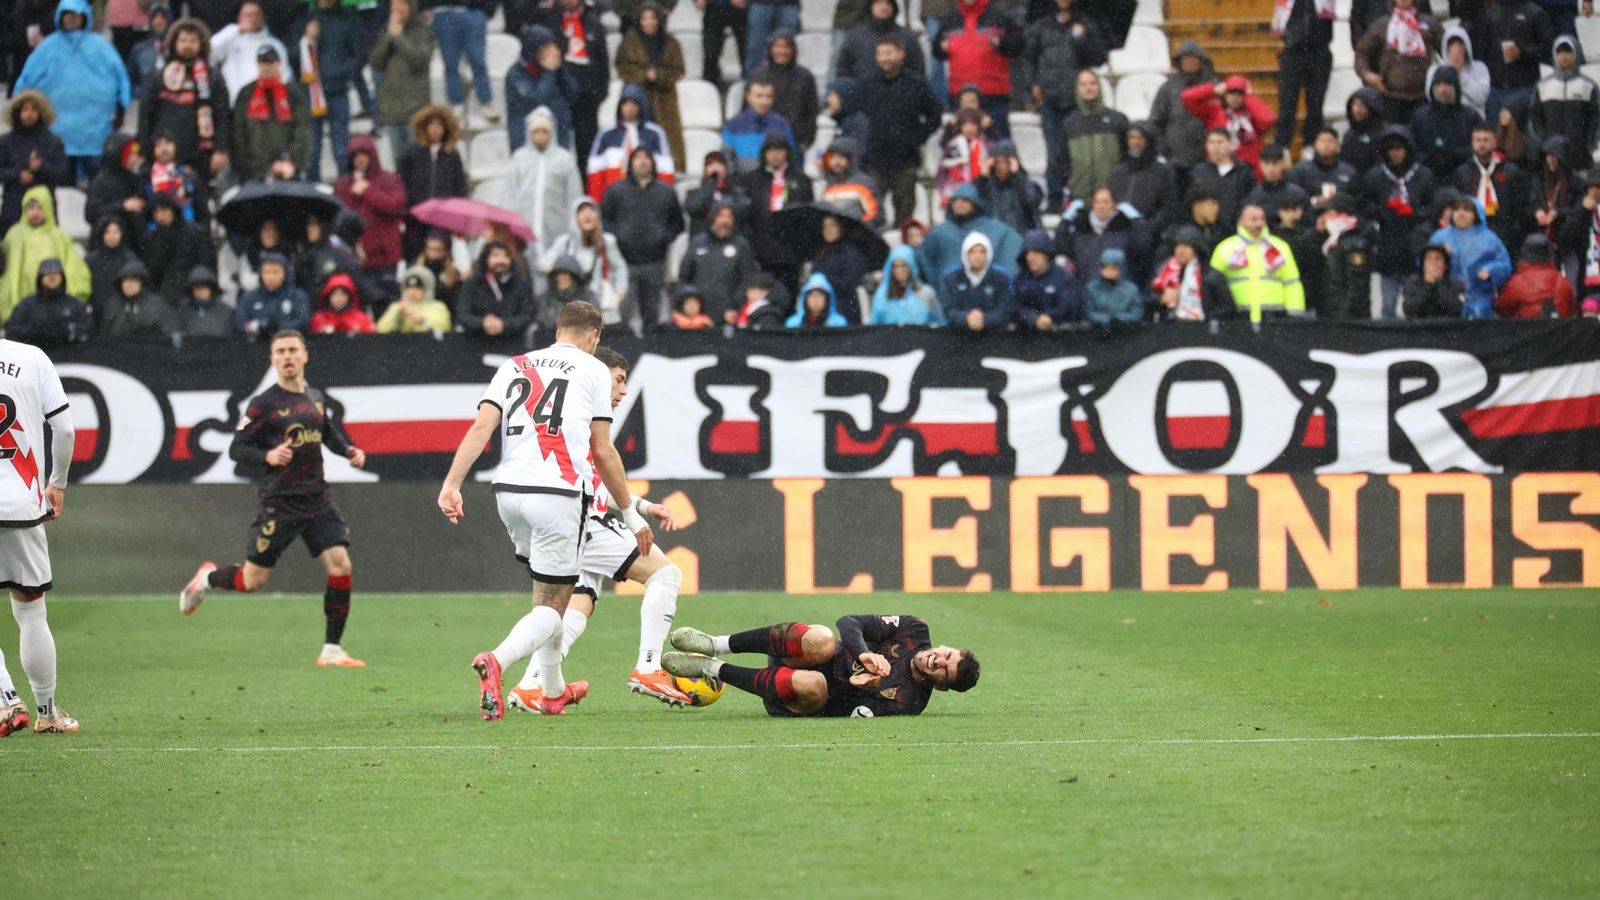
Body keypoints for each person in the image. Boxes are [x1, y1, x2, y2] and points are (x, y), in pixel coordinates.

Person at [440, 301, 653, 719]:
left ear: (558, 330)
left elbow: (481, 428)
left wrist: (452, 484)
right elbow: (603, 449)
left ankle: (553, 690)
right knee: (553, 609)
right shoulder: (593, 368)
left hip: (508, 494)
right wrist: (631, 513)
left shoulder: (514, 364)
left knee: (551, 595)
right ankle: (497, 660)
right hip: (556, 495)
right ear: (594, 337)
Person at [503, 346, 692, 709]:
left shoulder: (571, 411)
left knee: (576, 605)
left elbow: (594, 475)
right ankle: (648, 666)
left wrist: (643, 504)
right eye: (619, 380)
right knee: (664, 575)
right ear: (598, 375)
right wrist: (632, 514)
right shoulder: (587, 416)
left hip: (556, 516)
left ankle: (532, 684)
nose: (623, 391)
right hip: (580, 519)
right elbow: (598, 466)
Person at [178, 330, 367, 668]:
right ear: (273, 359)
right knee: (253, 581)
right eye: (280, 351)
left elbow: (326, 431)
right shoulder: (263, 403)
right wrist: (267, 456)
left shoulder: (314, 396)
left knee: (341, 564)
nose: (287, 356)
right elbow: (237, 449)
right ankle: (206, 579)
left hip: (317, 498)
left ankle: (332, 649)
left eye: (293, 349)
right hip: (280, 502)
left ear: (305, 355)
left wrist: (348, 450)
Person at [662, 615, 978, 717]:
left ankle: (711, 669)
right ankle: (716, 644)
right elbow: (848, 621)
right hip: (799, 657)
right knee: (823, 638)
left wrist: (854, 689)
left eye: (943, 670)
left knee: (815, 683)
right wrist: (862, 655)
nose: (937, 660)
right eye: (946, 654)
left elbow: (843, 714)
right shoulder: (914, 630)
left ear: (941, 686)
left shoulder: (908, 702)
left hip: (797, 696)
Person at [0, 335, 80, 734]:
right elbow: (64, 429)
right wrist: (57, 483)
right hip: (20, 504)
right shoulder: (31, 357)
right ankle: (47, 714)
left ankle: (5, 700)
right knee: (30, 610)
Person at [12, 0, 131, 183]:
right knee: (61, 184)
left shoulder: (101, 46)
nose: (71, 20)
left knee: (98, 183)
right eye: (67, 15)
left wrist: (122, 106)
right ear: (60, 17)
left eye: (75, 15)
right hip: (58, 131)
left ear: (84, 17)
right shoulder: (48, 47)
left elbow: (120, 77)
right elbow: (28, 78)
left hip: (95, 130)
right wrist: (17, 107)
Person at [139, 18, 230, 220]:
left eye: (193, 41)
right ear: (174, 43)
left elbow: (222, 115)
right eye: (183, 41)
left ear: (201, 44)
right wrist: (145, 149)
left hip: (200, 155)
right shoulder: (160, 75)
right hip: (164, 155)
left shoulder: (212, 77)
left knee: (198, 210)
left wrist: (221, 150)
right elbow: (146, 115)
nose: (188, 46)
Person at [1028, 0, 1108, 206]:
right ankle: (1055, 198)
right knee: (1053, 151)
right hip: (1050, 99)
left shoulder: (1086, 24)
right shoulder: (1041, 26)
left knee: (1079, 150)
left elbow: (1099, 58)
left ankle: (1078, 195)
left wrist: (1081, 39)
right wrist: (1033, 84)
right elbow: (1029, 58)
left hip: (1077, 100)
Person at [856, 35, 941, 228]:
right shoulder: (868, 84)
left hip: (906, 160)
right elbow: (858, 116)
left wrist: (918, 137)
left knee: (905, 218)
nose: (885, 58)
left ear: (900, 54)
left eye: (889, 53)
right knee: (871, 214)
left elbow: (934, 115)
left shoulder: (916, 83)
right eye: (881, 54)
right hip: (875, 159)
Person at [600, 147, 684, 330]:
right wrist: (618, 237)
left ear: (653, 162)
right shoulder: (616, 191)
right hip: (624, 263)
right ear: (630, 162)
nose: (642, 161)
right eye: (638, 157)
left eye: (647, 157)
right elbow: (604, 219)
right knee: (620, 317)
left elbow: (678, 223)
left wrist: (663, 237)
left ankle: (651, 351)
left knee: (652, 318)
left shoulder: (666, 192)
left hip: (654, 262)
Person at [1360, 125, 1435, 318]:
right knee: (1388, 306)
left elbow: (1433, 207)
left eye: (1399, 148)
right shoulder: (1375, 176)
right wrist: (1383, 212)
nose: (1395, 153)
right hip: (1387, 249)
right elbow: (1364, 207)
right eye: (1391, 149)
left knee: (1415, 306)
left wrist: (1415, 212)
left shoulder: (1423, 175)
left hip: (1414, 247)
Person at [919, 182, 1023, 309]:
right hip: (948, 299)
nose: (960, 204)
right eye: (955, 200)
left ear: (975, 203)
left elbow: (1012, 251)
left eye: (965, 200)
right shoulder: (940, 232)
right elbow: (924, 260)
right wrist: (938, 285)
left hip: (986, 299)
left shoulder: (996, 229)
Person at [529, 0, 610, 164]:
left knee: (587, 148)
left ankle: (586, 187)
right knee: (558, 146)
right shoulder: (548, 19)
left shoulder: (593, 21)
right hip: (559, 92)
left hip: (587, 94)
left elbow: (602, 61)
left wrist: (600, 92)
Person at [1, 188, 91, 325]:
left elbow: (75, 270)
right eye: (31, 208)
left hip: (54, 307)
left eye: (40, 208)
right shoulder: (14, 235)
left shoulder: (59, 237)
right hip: (21, 309)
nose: (35, 213)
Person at [736, 134, 813, 293]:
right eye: (770, 150)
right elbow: (746, 216)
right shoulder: (751, 180)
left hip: (790, 252)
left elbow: (808, 216)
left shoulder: (801, 180)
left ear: (786, 152)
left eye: (779, 149)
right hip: (760, 252)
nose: (775, 154)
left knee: (788, 297)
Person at [934, 0, 1024, 136]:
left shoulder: (1000, 17)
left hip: (993, 97)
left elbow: (1018, 46)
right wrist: (941, 48)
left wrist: (1002, 43)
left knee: (997, 147)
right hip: (960, 97)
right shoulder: (950, 19)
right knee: (960, 148)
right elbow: (937, 50)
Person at [334, 136, 407, 303]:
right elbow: (338, 218)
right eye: (355, 155)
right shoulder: (343, 184)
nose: (359, 159)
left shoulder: (389, 179)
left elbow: (396, 206)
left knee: (386, 305)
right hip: (355, 259)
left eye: (363, 154)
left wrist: (368, 191)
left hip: (384, 257)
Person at [614, 3, 686, 170]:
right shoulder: (629, 42)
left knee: (669, 141)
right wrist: (643, 76)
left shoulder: (671, 43)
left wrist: (659, 76)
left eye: (652, 18)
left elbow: (679, 70)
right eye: (645, 19)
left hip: (665, 99)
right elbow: (622, 67)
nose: (649, 22)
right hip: (637, 97)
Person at [511, 107, 586, 261]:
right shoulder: (519, 159)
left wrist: (573, 230)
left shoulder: (564, 159)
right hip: (525, 232)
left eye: (544, 131)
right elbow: (510, 195)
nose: (540, 136)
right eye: (536, 132)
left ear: (551, 133)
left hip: (557, 231)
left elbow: (574, 196)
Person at [1209, 203, 1306, 321]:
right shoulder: (1225, 248)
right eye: (1253, 219)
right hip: (1238, 318)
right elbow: (1212, 285)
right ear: (1241, 221)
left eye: (1262, 219)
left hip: (1275, 317)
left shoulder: (1280, 247)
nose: (1259, 223)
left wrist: (1294, 314)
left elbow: (1292, 283)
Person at [230, 46, 311, 183]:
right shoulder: (246, 93)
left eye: (271, 62)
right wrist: (243, 164)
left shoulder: (292, 94)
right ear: (257, 64)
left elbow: (302, 130)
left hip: (286, 168)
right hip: (253, 169)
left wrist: (292, 159)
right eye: (263, 62)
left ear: (279, 64)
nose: (266, 67)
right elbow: (238, 131)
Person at [1353, 0, 1442, 125]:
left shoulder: (1429, 23)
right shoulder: (1382, 25)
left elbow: (1447, 49)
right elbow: (1362, 53)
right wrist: (1367, 74)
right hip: (1391, 98)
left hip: (1424, 97)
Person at [399, 104, 469, 260]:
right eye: (431, 124)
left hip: (443, 218)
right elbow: (402, 182)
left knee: (441, 255)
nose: (435, 129)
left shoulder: (452, 155)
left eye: (440, 125)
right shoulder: (411, 153)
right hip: (416, 218)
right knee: (417, 256)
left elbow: (459, 186)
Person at [540, 198, 628, 322]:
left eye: (591, 210)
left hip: (598, 300)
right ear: (574, 217)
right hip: (572, 300)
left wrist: (620, 290)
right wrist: (560, 268)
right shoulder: (565, 241)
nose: (587, 215)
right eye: (582, 211)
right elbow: (544, 262)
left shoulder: (606, 241)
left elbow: (619, 266)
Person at [1463, 0, 1553, 120]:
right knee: (1495, 135)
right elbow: (1481, 51)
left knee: (1522, 136)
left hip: (1525, 88)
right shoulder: (1490, 14)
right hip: (1496, 89)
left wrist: (1522, 52)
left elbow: (1548, 50)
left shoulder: (1535, 13)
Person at [368, 0, 434, 159]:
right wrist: (390, 37)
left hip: (416, 110)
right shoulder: (387, 30)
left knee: (419, 163)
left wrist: (398, 38)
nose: (396, 9)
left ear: (410, 6)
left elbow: (420, 60)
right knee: (400, 164)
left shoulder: (422, 30)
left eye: (400, 4)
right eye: (393, 5)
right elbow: (376, 61)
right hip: (392, 110)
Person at [1454, 125, 1532, 260]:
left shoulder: (1511, 171)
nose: (1482, 144)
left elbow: (1520, 207)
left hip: (1505, 238)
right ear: (1472, 143)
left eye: (1486, 140)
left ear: (1495, 142)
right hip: (1471, 237)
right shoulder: (1463, 172)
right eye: (1477, 140)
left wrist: (1512, 233)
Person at [1055, 186, 1153, 291]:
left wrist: (1136, 220)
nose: (1101, 206)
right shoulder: (1083, 231)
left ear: (1114, 205)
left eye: (1106, 202)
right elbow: (1061, 246)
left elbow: (1142, 246)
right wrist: (1065, 220)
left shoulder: (1123, 230)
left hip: (1117, 294)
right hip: (1087, 294)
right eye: (1097, 202)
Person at [587, 86, 677, 200]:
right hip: (615, 198)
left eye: (634, 103)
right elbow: (595, 172)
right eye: (625, 103)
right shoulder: (607, 134)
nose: (630, 108)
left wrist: (663, 201)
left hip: (648, 198)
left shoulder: (655, 133)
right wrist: (598, 203)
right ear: (619, 106)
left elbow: (665, 170)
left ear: (641, 106)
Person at [0, 91, 70, 237]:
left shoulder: (53, 141)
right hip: (13, 208)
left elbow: (63, 174)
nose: (29, 114)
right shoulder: (6, 141)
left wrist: (41, 167)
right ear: (18, 113)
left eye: (33, 109)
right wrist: (17, 174)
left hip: (44, 209)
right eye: (25, 110)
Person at [1428, 195, 1511, 317]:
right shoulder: (1439, 237)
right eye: (1457, 209)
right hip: (1445, 296)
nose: (1461, 213)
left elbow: (1505, 264)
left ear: (1476, 214)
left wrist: (1490, 270)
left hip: (1480, 300)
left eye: (1466, 210)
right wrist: (1439, 253)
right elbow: (1423, 262)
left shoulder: (1490, 239)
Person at [1057, 69, 1128, 206]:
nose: (1088, 88)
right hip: (1080, 197)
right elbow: (1061, 159)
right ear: (1077, 89)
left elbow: (1127, 157)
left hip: (1113, 196)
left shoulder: (1117, 120)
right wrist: (1071, 181)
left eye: (1092, 83)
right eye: (1083, 84)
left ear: (1099, 87)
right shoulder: (1069, 123)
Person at [507, 25, 581, 153]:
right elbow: (536, 101)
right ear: (533, 49)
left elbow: (573, 94)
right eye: (546, 47)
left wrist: (561, 70)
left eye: (553, 46)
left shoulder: (553, 70)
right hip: (527, 144)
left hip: (558, 142)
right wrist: (549, 72)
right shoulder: (515, 74)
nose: (553, 51)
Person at [1533, 36, 1600, 174]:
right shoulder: (1543, 85)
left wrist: (1589, 146)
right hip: (1552, 155)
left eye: (1568, 52)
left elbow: (1596, 118)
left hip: (1580, 154)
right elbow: (1535, 117)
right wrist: (1545, 145)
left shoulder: (1588, 85)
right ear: (1554, 54)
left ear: (1576, 54)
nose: (1564, 56)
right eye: (1560, 52)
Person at [678, 201, 754, 324]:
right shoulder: (698, 242)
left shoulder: (741, 245)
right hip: (699, 314)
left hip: (728, 314)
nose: (725, 221)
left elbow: (747, 280)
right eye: (721, 216)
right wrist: (689, 304)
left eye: (730, 216)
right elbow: (684, 276)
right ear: (713, 218)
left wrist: (736, 307)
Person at [1148, 41, 1215, 180]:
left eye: (1193, 58)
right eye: (1185, 59)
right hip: (1176, 161)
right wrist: (1166, 151)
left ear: (1201, 61)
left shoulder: (1213, 87)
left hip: (1208, 160)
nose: (1189, 62)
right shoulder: (1168, 88)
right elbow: (1155, 122)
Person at [1273, 0, 1334, 151]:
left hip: (1318, 49)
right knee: (1287, 102)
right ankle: (1283, 145)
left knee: (1315, 102)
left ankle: (1311, 144)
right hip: (1292, 50)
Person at [1181, 74, 1274, 173]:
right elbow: (1186, 97)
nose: (1235, 97)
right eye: (1231, 92)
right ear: (1225, 94)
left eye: (1239, 93)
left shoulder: (1251, 113)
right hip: (1219, 166)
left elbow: (1268, 120)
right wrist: (1212, 89)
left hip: (1248, 168)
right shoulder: (1213, 110)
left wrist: (1249, 97)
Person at [1409, 66, 1483, 180]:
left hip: (1462, 174)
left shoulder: (1470, 116)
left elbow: (1479, 148)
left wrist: (1454, 153)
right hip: (1427, 176)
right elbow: (1412, 149)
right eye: (1438, 84)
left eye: (1447, 84)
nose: (1443, 90)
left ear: (1456, 87)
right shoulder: (1420, 116)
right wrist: (1431, 156)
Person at [428, 0, 497, 123]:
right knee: (450, 63)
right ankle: (455, 103)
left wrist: (489, 7)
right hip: (443, 11)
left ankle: (485, 101)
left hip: (473, 11)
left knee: (478, 60)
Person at [210, 2, 289, 105]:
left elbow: (285, 74)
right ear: (239, 18)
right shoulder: (230, 39)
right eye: (249, 15)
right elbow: (209, 53)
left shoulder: (274, 44)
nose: (253, 18)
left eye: (257, 14)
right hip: (236, 105)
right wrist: (234, 30)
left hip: (268, 106)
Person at [1108, 123, 1179, 237]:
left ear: (1148, 140)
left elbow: (1169, 207)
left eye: (1140, 138)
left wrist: (1149, 227)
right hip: (1118, 232)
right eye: (1132, 137)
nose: (1135, 142)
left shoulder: (1162, 171)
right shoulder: (1118, 171)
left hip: (1149, 233)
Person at [1316, 193, 1379, 319]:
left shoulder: (1355, 245)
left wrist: (1343, 315)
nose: (1326, 219)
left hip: (1349, 316)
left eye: (1330, 214)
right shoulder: (1333, 240)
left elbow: (1357, 286)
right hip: (1333, 310)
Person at [457, 241, 537, 338]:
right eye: (495, 255)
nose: (501, 260)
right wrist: (483, 323)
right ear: (486, 258)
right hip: (478, 341)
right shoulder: (473, 283)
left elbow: (528, 314)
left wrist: (504, 324)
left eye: (505, 256)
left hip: (513, 341)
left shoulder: (521, 283)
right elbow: (463, 314)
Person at [1151, 226, 1233, 321]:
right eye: (1178, 246)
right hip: (1173, 329)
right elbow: (1147, 298)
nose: (1180, 251)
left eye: (1186, 246)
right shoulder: (1164, 271)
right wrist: (1161, 299)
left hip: (1202, 331)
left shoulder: (1211, 275)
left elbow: (1227, 307)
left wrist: (1206, 319)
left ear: (1196, 248)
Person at [6, 259, 92, 347]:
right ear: (40, 278)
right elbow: (11, 330)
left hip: (69, 357)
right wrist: (35, 331)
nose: (52, 277)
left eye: (56, 273)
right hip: (35, 356)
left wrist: (65, 330)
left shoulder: (74, 304)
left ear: (62, 277)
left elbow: (87, 330)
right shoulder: (27, 305)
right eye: (47, 274)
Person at [837, 0, 926, 84]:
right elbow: (843, 72)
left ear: (893, 7)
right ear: (870, 6)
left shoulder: (907, 37)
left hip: (899, 95)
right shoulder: (854, 37)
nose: (883, 7)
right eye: (878, 3)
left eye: (888, 3)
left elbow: (918, 72)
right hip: (862, 95)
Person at [721, 79, 798, 175]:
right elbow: (727, 159)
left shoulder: (782, 125)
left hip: (775, 183)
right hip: (743, 183)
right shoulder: (733, 126)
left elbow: (792, 157)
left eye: (768, 96)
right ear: (748, 96)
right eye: (759, 96)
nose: (764, 101)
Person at [1189, 129, 1258, 234]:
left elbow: (1250, 200)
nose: (1216, 146)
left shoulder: (1243, 171)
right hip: (1207, 231)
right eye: (1211, 142)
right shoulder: (1199, 172)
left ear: (1230, 144)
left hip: (1236, 229)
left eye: (1220, 142)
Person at [942, 231, 1012, 331]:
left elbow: (1004, 310)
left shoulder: (1000, 277)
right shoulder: (951, 278)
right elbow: (948, 310)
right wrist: (966, 318)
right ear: (965, 254)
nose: (977, 256)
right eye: (972, 251)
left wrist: (985, 319)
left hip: (993, 337)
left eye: (982, 251)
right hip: (960, 337)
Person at [1013, 228, 1079, 329]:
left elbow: (1068, 307)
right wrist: (1033, 318)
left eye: (1036, 252)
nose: (1030, 258)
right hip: (1026, 335)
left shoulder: (1064, 277)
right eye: (1027, 253)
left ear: (1047, 254)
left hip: (1059, 334)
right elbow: (1014, 306)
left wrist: (1049, 317)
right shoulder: (1020, 278)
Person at [234, 251, 312, 337]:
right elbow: (239, 324)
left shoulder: (297, 296)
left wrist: (278, 328)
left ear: (285, 273)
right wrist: (260, 327)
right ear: (261, 274)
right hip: (255, 345)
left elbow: (304, 321)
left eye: (275, 272)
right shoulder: (248, 298)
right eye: (266, 272)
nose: (270, 277)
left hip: (287, 343)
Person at [1496, 233, 1576, 316]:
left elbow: (1502, 308)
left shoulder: (1517, 283)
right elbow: (1570, 309)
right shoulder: (1562, 282)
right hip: (1558, 328)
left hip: (1525, 328)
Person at [974, 141, 1043, 234]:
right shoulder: (986, 185)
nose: (1001, 167)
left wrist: (1016, 176)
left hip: (1019, 236)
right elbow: (974, 202)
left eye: (1006, 162)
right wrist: (982, 177)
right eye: (997, 162)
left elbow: (1031, 201)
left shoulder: (1027, 184)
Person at [86, 136, 147, 239]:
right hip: (106, 241)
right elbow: (91, 213)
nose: (135, 158)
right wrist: (122, 206)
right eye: (131, 155)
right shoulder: (100, 181)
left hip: (131, 240)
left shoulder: (134, 178)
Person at [868, 245, 944, 326]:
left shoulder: (926, 293)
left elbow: (939, 322)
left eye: (903, 266)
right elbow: (873, 325)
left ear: (911, 267)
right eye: (895, 267)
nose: (899, 271)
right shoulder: (882, 295)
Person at [683, 149, 751, 240]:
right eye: (711, 164)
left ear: (725, 168)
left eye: (719, 164)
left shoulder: (736, 192)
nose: (715, 167)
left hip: (731, 242)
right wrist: (711, 183)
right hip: (703, 242)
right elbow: (694, 208)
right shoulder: (694, 193)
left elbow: (742, 210)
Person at [99, 259, 175, 339]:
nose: (129, 285)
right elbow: (104, 337)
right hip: (117, 349)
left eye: (133, 280)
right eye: (125, 280)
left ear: (142, 283)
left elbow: (168, 335)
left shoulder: (156, 305)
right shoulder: (113, 305)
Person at [813, 215, 869, 322]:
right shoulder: (821, 253)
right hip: (823, 309)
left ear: (841, 228)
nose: (828, 230)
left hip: (845, 308)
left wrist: (823, 277)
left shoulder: (851, 252)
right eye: (825, 227)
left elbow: (849, 284)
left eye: (832, 225)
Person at [818, 136, 882, 228]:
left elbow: (876, 216)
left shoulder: (863, 184)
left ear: (850, 159)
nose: (836, 162)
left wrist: (855, 227)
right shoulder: (829, 187)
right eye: (833, 157)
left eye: (840, 157)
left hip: (857, 237)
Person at [1429, 25, 1490, 119]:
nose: (1457, 49)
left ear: (1466, 46)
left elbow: (1481, 98)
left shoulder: (1480, 67)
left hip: (1473, 120)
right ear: (1447, 47)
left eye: (1460, 44)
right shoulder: (1435, 69)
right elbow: (1433, 97)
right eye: (1452, 44)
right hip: (1446, 120)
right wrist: (1451, 72)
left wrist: (1460, 74)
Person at [1292, 127, 1358, 211]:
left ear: (1338, 147)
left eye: (1330, 141)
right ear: (1314, 145)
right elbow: (1293, 197)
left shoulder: (1349, 172)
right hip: (1308, 217)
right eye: (1322, 141)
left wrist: (1338, 200)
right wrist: (1313, 201)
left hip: (1341, 216)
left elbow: (1357, 199)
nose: (1326, 145)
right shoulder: (1300, 170)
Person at [376, 266, 452, 333]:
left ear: (426, 290)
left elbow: (444, 329)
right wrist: (396, 315)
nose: (412, 292)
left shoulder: (438, 307)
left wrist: (422, 322)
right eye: (409, 288)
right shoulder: (397, 306)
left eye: (418, 288)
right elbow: (381, 330)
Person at [938, 109, 990, 207]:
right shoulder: (953, 145)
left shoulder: (985, 145)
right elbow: (943, 172)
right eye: (965, 125)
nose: (969, 129)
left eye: (973, 125)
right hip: (956, 191)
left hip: (979, 189)